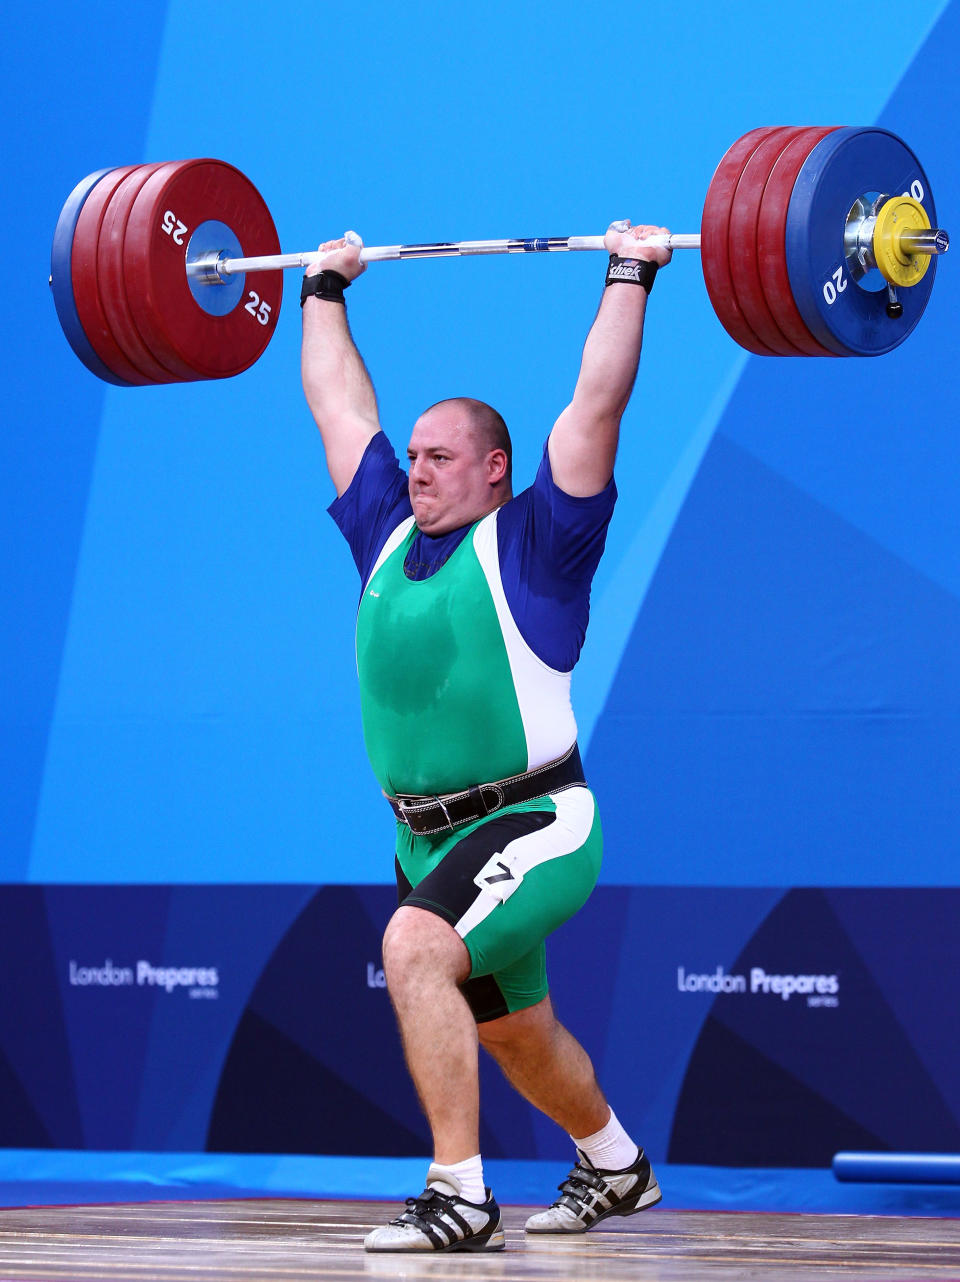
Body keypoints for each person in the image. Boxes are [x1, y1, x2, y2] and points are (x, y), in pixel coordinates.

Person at [301, 221, 671, 1253]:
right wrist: (324, 289)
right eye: (413, 456)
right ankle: (615, 1162)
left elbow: (596, 403)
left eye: (440, 457)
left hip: (536, 816)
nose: (416, 472)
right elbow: (339, 406)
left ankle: (458, 1193)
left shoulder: (540, 548)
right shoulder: (385, 535)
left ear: (495, 469)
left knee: (415, 946)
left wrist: (630, 272)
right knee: (515, 1030)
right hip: (426, 836)